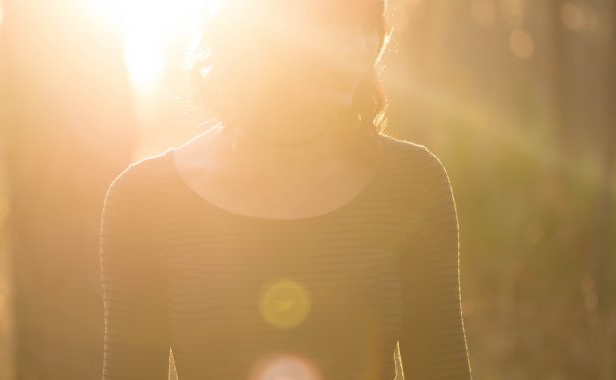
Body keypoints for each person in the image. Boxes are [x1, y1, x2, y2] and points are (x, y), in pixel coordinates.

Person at [98, 0, 474, 378]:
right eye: (333, 25)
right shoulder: (143, 200)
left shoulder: (412, 182)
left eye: (367, 26)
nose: (357, 48)